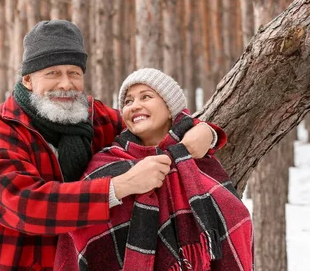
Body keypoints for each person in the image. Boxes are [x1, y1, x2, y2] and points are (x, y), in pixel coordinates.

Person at [0, 20, 224, 270]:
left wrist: (205, 131)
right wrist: (120, 186)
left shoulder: (93, 117)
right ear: (28, 80)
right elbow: (25, 205)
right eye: (52, 73)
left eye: (74, 73)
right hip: (8, 261)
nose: (66, 84)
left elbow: (150, 125)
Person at [55, 68, 253, 271]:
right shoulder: (107, 162)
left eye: (146, 97)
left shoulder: (197, 155)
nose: (135, 106)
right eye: (128, 101)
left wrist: (208, 132)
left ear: (169, 108)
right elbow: (78, 226)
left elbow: (236, 220)